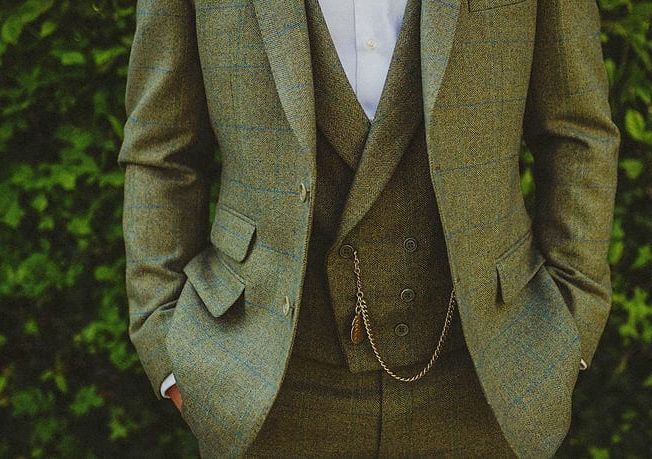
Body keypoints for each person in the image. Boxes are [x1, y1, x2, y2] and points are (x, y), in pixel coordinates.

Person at [119, 0, 619, 457]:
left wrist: (573, 320)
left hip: (486, 378)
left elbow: (576, 130)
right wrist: (165, 342)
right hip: (262, 383)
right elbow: (161, 149)